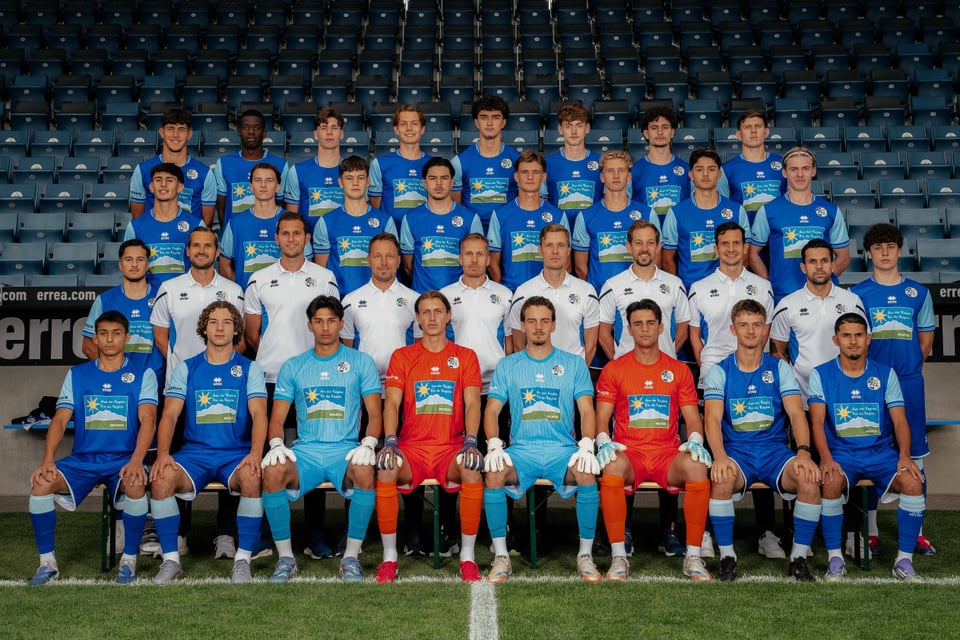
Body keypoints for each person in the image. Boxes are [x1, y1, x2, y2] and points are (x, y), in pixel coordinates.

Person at [27, 311, 157, 585]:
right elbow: (60, 419)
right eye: (103, 333)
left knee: (135, 484)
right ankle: (47, 563)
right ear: (95, 338)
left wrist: (137, 460)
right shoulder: (77, 374)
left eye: (116, 333)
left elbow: (148, 420)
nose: (109, 339)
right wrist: (48, 459)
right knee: (41, 484)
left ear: (127, 337)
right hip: (84, 459)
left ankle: (129, 562)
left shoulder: (143, 373)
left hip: (124, 459)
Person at [259, 296, 381, 583]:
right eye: (318, 321)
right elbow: (276, 419)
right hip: (306, 452)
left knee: (365, 471)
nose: (325, 327)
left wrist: (369, 442)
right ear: (309, 325)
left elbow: (375, 413)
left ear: (340, 324)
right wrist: (276, 444)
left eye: (331, 321)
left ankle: (350, 558)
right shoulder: (293, 365)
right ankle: (286, 559)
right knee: (273, 472)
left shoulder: (361, 362)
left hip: (346, 449)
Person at [482, 296, 601, 584]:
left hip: (563, 451)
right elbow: (492, 409)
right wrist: (494, 443)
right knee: (494, 473)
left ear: (554, 325)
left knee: (586, 473)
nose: (538, 327)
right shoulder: (508, 365)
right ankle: (502, 557)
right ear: (522, 325)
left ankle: (585, 556)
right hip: (522, 451)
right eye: (532, 321)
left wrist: (587, 444)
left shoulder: (573, 363)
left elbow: (587, 410)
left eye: (544, 321)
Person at [148, 301, 267, 584]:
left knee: (252, 476)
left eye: (227, 322)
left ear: (236, 329)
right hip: (195, 454)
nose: (220, 328)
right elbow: (169, 415)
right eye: (213, 321)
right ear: (204, 328)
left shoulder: (250, 369)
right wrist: (163, 453)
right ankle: (171, 561)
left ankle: (242, 560)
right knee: (161, 478)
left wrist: (255, 453)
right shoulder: (186, 368)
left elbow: (260, 414)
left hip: (235, 454)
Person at [704, 299, 822, 582]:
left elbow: (796, 414)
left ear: (765, 329)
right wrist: (719, 457)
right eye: (743, 325)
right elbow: (712, 419)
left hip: (775, 452)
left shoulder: (779, 368)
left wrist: (803, 452)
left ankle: (798, 558)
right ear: (732, 329)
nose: (750, 331)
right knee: (721, 479)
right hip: (737, 452)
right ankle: (728, 557)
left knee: (808, 479)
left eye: (757, 325)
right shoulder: (720, 370)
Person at [242, 211, 338, 558]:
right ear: (277, 238)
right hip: (270, 378)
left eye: (298, 233)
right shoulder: (259, 279)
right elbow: (252, 333)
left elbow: (330, 325)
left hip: (314, 380)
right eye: (285, 233)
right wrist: (277, 360)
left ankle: (315, 535)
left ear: (307, 239)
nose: (292, 239)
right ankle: (265, 535)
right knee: (269, 456)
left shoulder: (325, 278)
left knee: (314, 452)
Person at [595, 299, 713, 582]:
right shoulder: (614, 369)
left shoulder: (679, 370)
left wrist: (695, 438)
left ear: (661, 327)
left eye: (650, 323)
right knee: (611, 466)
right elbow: (602, 418)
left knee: (697, 467)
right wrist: (602, 439)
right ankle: (619, 556)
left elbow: (692, 417)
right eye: (638, 324)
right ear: (629, 329)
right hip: (629, 452)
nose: (644, 329)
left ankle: (693, 556)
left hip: (666, 453)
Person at [374, 291, 484, 583]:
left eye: (438, 311)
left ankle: (468, 558)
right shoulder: (402, 356)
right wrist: (390, 440)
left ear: (449, 316)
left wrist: (471, 440)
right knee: (386, 468)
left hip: (451, 446)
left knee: (472, 468)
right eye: (426, 312)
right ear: (418, 319)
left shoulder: (465, 356)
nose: (432, 317)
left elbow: (473, 403)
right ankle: (389, 558)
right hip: (412, 448)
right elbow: (392, 403)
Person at [687, 222, 781, 559]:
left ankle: (767, 532)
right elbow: (694, 336)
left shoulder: (763, 287)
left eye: (736, 243)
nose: (730, 249)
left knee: (761, 443)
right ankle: (707, 532)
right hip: (715, 378)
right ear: (716, 248)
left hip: (756, 378)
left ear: (745, 248)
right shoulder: (699, 287)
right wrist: (709, 369)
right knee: (711, 453)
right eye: (724, 243)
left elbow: (766, 332)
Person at [810, 313, 927, 581]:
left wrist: (905, 456)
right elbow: (816, 422)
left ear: (868, 339)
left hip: (880, 453)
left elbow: (900, 421)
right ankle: (835, 559)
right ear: (836, 339)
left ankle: (904, 561)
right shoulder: (821, 374)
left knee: (913, 482)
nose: (853, 341)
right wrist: (825, 458)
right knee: (830, 481)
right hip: (842, 454)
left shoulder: (885, 373)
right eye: (846, 335)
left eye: (858, 335)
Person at [851, 224, 936, 556]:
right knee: (871, 453)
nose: (884, 253)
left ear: (900, 250)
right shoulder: (858, 294)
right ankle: (871, 530)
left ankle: (917, 532)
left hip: (909, 383)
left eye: (890, 246)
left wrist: (905, 370)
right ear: (868, 253)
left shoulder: (919, 293)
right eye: (877, 247)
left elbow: (925, 344)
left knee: (914, 458)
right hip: (872, 385)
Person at [769, 239, 866, 406]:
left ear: (833, 265)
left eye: (824, 261)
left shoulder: (852, 301)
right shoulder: (788, 305)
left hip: (844, 396)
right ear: (803, 267)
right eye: (812, 261)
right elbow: (778, 352)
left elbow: (863, 346)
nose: (819, 266)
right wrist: (791, 391)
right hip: (803, 398)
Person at [748, 146, 851, 303]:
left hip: (822, 296)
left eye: (805, 168)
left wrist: (822, 281)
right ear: (784, 172)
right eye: (794, 169)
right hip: (783, 295)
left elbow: (844, 256)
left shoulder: (831, 211)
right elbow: (752, 253)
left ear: (813, 171)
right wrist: (769, 282)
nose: (800, 174)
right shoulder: (768, 211)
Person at [151, 227, 245, 388]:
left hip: (221, 382)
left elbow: (240, 340)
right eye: (196, 245)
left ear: (217, 252)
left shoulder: (234, 291)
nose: (201, 251)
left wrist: (217, 366)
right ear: (188, 251)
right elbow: (160, 338)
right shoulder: (168, 289)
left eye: (207, 246)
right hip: (180, 384)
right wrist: (181, 366)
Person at [507, 224, 599, 365]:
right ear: (540, 250)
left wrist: (577, 373)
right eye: (549, 245)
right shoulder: (523, 293)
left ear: (568, 250)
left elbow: (591, 346)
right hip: (536, 372)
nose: (555, 251)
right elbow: (519, 346)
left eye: (561, 245)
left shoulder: (586, 291)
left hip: (573, 372)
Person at [661, 148, 751, 291]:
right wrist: (679, 290)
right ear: (691, 175)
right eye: (699, 169)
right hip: (690, 289)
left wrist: (733, 284)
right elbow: (667, 260)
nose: (705, 174)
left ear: (719, 174)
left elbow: (745, 255)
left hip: (728, 289)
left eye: (711, 169)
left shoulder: (737, 211)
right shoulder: (676, 213)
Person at [598, 220, 689, 361]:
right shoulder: (612, 286)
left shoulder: (675, 284)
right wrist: (620, 364)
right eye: (638, 243)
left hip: (664, 367)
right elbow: (603, 334)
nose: (645, 249)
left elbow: (683, 330)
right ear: (629, 247)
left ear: (658, 247)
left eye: (650, 243)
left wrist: (666, 357)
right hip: (627, 369)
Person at [572, 150, 659, 294]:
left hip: (639, 296)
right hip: (600, 294)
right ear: (602, 177)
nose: (616, 175)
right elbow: (580, 268)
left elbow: (656, 261)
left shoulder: (647, 214)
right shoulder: (586, 216)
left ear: (629, 176)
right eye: (610, 171)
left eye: (621, 170)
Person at [340, 232, 422, 385]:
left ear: (398, 261)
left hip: (403, 383)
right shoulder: (351, 301)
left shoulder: (415, 300)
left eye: (389, 256)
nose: (384, 262)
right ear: (368, 260)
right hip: (364, 384)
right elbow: (347, 351)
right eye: (377, 256)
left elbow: (420, 347)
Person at [311, 155, 398, 296]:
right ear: (340, 182)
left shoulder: (385, 221)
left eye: (361, 178)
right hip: (339, 298)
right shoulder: (326, 222)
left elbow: (392, 264)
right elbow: (322, 271)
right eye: (349, 178)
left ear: (368, 181)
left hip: (377, 297)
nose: (355, 183)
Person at [82, 239, 164, 383]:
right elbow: (88, 347)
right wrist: (112, 372)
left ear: (147, 265)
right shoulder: (105, 300)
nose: (134, 264)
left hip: (156, 381)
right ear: (120, 265)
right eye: (128, 259)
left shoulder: (162, 297)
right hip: (117, 382)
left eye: (140, 259)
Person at [487, 150, 568, 291]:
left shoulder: (558, 216)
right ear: (516, 176)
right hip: (513, 292)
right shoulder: (500, 215)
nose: (530, 177)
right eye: (525, 172)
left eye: (536, 172)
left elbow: (566, 262)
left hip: (548, 293)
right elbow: (492, 263)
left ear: (543, 177)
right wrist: (505, 291)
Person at [399, 156, 483, 292]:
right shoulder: (410, 219)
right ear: (424, 183)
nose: (438, 183)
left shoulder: (471, 218)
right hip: (423, 296)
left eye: (444, 178)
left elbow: (477, 261)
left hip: (459, 297)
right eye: (432, 178)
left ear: (452, 182)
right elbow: (408, 267)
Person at [130, 107, 216, 226]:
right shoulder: (142, 170)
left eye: (181, 129)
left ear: (189, 134)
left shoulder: (205, 173)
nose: (175, 135)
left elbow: (206, 223)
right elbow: (138, 219)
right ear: (162, 132)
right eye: (170, 129)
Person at [123, 163, 203, 286]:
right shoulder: (135, 227)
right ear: (151, 187)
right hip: (149, 294)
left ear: (180, 187)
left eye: (169, 180)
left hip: (185, 294)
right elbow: (128, 268)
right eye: (158, 180)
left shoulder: (196, 225)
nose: (163, 184)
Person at [451, 94, 520, 229]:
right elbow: (456, 209)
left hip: (506, 228)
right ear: (476, 122)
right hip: (472, 233)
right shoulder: (459, 161)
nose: (489, 123)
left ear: (503, 122)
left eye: (495, 117)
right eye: (484, 117)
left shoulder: (517, 160)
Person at [214, 109, 288, 228]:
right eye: (245, 127)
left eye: (257, 128)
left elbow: (280, 204)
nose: (251, 132)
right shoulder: (223, 163)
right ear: (239, 131)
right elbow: (221, 206)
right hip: (236, 231)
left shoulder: (281, 165)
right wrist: (229, 232)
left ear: (264, 132)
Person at [219, 162, 286, 291]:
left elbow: (305, 261)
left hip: (281, 296)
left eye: (269, 180)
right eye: (257, 180)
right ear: (251, 186)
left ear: (278, 187)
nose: (263, 185)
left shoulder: (292, 222)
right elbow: (224, 265)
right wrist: (242, 290)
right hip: (246, 298)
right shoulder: (235, 223)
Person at [283, 107, 345, 231]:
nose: (329, 132)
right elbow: (292, 220)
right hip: (308, 241)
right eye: (324, 128)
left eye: (334, 128)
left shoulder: (353, 172)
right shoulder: (297, 171)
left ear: (341, 134)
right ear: (316, 134)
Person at [368, 104, 431, 226]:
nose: (409, 128)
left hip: (424, 231)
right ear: (396, 129)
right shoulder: (380, 164)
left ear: (422, 129)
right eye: (403, 124)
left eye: (414, 123)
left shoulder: (434, 165)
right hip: (391, 234)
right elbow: (376, 209)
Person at [720, 110, 786, 226]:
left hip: (777, 231)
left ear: (766, 132)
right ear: (738, 135)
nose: (753, 131)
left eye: (758, 126)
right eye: (747, 127)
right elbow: (723, 207)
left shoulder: (784, 165)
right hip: (742, 233)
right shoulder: (727, 170)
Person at [630, 106, 690, 224]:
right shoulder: (635, 171)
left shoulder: (686, 169)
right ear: (646, 133)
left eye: (665, 127)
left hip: (678, 232)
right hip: (646, 233)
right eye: (654, 128)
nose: (660, 132)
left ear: (672, 132)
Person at [545, 101, 603, 218]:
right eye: (568, 126)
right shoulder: (548, 163)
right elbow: (542, 203)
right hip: (559, 228)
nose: (574, 131)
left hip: (591, 227)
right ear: (560, 129)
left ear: (587, 128)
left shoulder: (601, 162)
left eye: (579, 125)